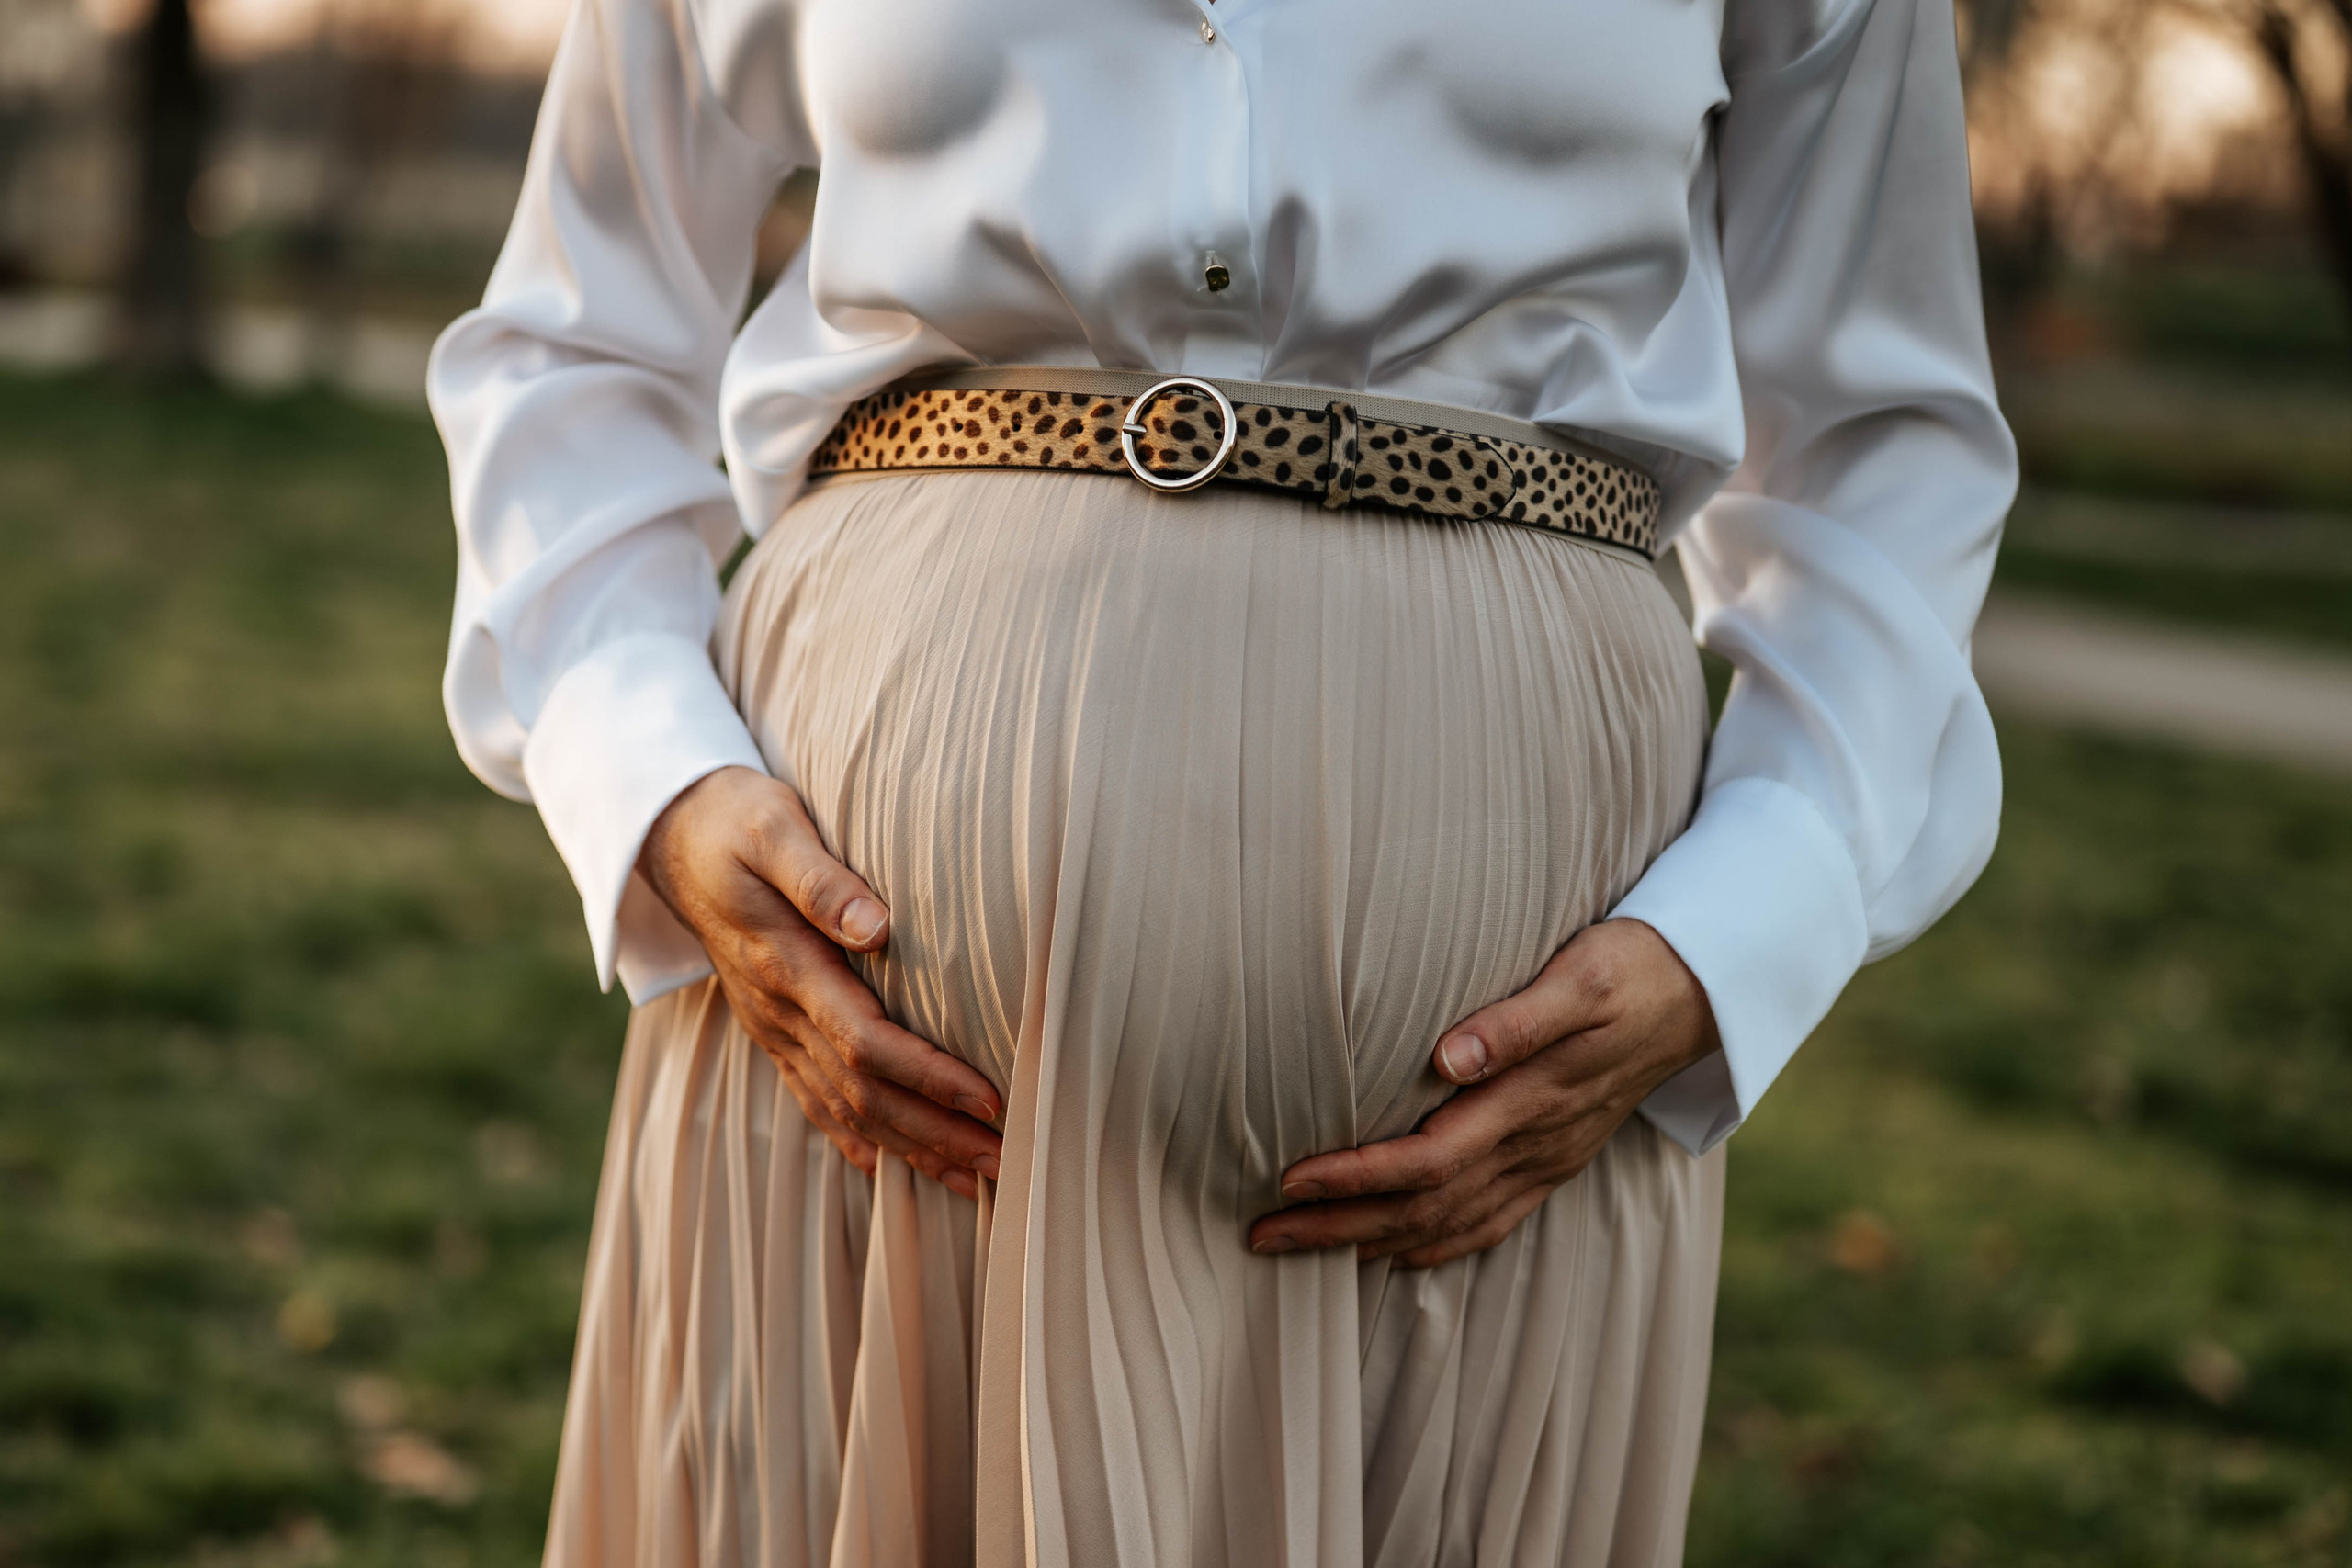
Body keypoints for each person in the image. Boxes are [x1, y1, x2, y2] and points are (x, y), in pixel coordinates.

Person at [428, 0, 2015, 1561]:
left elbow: (1889, 441)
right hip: (848, 1064)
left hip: (1511, 1122)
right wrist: (655, 776)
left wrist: (1740, 926)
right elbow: (574, 338)